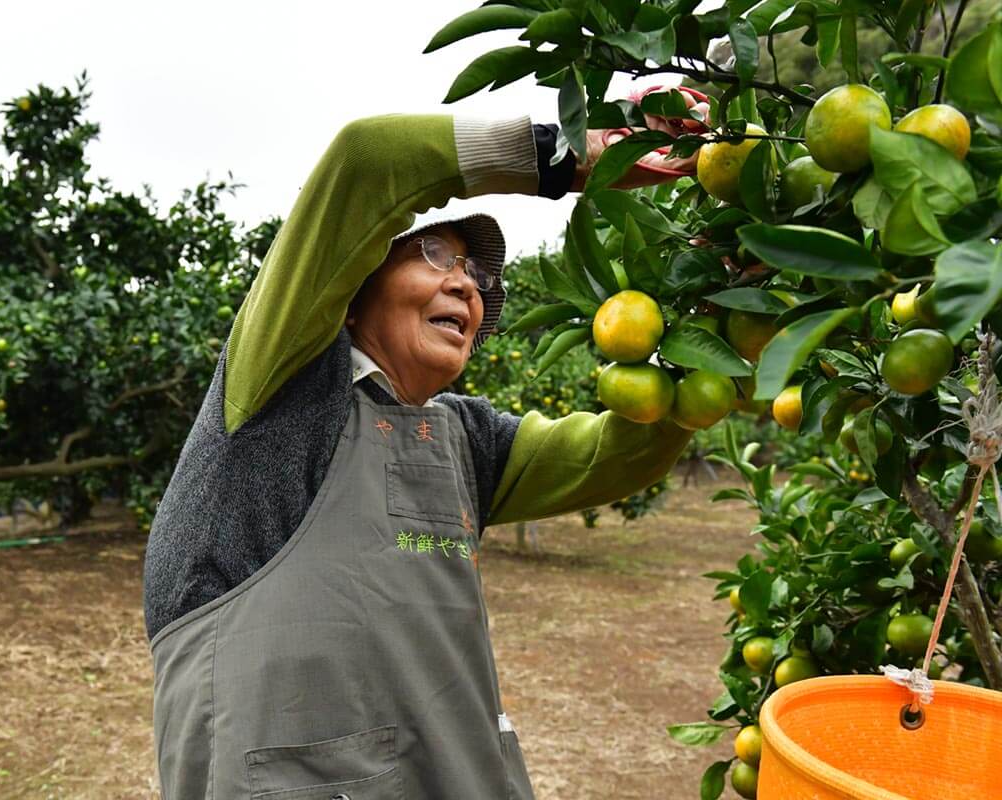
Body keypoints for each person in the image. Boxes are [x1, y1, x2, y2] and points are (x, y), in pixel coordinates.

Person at [144, 91, 704, 799]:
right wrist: (568, 150)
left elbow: (620, 452)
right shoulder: (281, 389)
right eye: (435, 254)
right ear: (353, 289)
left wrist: (707, 329)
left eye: (477, 276)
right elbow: (366, 160)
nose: (464, 285)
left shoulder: (466, 439)